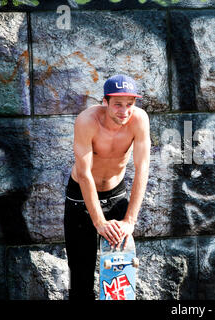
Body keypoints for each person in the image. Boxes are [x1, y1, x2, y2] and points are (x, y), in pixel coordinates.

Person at [64, 74, 150, 300]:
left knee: (120, 280)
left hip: (116, 195)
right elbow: (84, 174)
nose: (124, 111)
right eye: (118, 105)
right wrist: (99, 222)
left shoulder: (139, 120)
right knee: (81, 279)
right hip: (81, 199)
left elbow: (142, 169)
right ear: (105, 102)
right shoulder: (87, 121)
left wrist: (129, 221)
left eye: (129, 104)